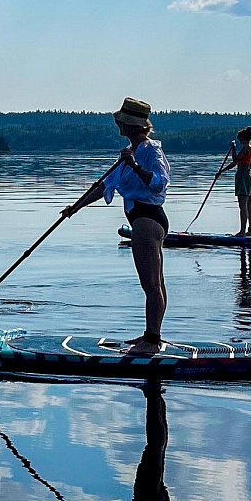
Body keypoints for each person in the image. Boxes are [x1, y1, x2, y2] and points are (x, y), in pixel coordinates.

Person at [61, 98, 171, 355]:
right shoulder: (129, 152)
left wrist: (134, 165)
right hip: (142, 220)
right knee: (155, 283)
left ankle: (152, 342)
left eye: (121, 121)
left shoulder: (150, 151)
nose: (117, 125)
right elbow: (104, 186)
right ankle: (151, 335)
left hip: (147, 219)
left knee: (151, 284)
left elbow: (159, 183)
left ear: (130, 125)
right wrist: (75, 207)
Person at [217, 126, 251, 236]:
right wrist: (222, 171)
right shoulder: (250, 148)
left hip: (243, 176)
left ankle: (243, 231)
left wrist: (233, 148)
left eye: (240, 139)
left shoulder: (246, 148)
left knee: (243, 205)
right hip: (248, 176)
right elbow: (235, 163)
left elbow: (235, 159)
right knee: (248, 205)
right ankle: (250, 230)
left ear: (243, 138)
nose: (239, 141)